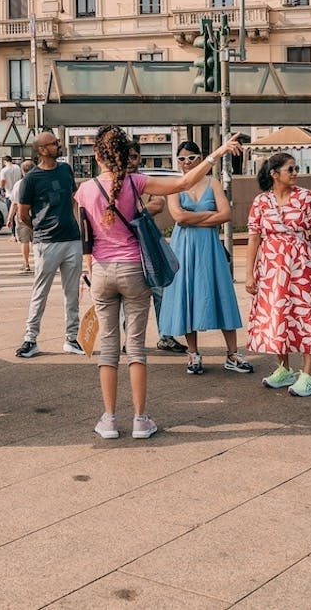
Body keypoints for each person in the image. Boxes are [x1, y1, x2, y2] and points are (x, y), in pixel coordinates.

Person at [75, 125, 242, 441]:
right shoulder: (136, 183)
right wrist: (217, 154)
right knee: (136, 346)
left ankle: (109, 420)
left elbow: (86, 237)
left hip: (101, 273)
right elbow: (184, 181)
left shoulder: (83, 190)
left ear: (97, 156)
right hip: (134, 271)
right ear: (126, 156)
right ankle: (140, 420)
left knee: (108, 348)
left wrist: (89, 270)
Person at [158, 141, 250, 376]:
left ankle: (232, 353)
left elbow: (226, 215)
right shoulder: (174, 186)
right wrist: (210, 215)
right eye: (182, 159)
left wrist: (194, 217)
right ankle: (193, 353)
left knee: (221, 293)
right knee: (187, 295)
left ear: (201, 159)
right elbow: (179, 217)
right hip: (184, 248)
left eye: (192, 157)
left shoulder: (213, 183)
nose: (187, 162)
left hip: (209, 247)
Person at [245, 152, 311, 397]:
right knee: (277, 315)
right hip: (271, 267)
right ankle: (284, 368)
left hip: (301, 265)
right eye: (290, 169)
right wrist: (249, 274)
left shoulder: (306, 197)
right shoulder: (261, 202)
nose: (295, 173)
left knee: (305, 315)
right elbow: (253, 238)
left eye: (295, 168)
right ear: (274, 174)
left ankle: (308, 375)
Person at [15, 133, 83, 357]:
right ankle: (30, 338)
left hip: (72, 238)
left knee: (72, 293)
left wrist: (77, 227)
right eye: (54, 143)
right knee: (40, 292)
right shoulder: (31, 179)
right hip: (46, 242)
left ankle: (72, 338)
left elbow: (74, 199)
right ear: (42, 150)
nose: (59, 145)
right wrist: (40, 230)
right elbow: (23, 215)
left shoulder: (66, 170)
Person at [127, 142, 181, 353]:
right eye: (127, 157)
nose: (130, 161)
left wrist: (132, 213)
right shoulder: (116, 183)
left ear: (139, 158)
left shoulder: (144, 182)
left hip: (150, 249)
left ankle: (165, 337)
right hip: (128, 251)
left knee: (161, 293)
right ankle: (129, 341)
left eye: (134, 156)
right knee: (129, 300)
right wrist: (139, 212)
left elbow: (158, 205)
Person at [6, 159, 35, 274]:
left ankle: (26, 263)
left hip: (22, 215)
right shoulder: (39, 183)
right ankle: (40, 262)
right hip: (37, 214)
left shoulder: (18, 184)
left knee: (24, 241)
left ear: (23, 171)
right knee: (37, 240)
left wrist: (10, 218)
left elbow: (14, 203)